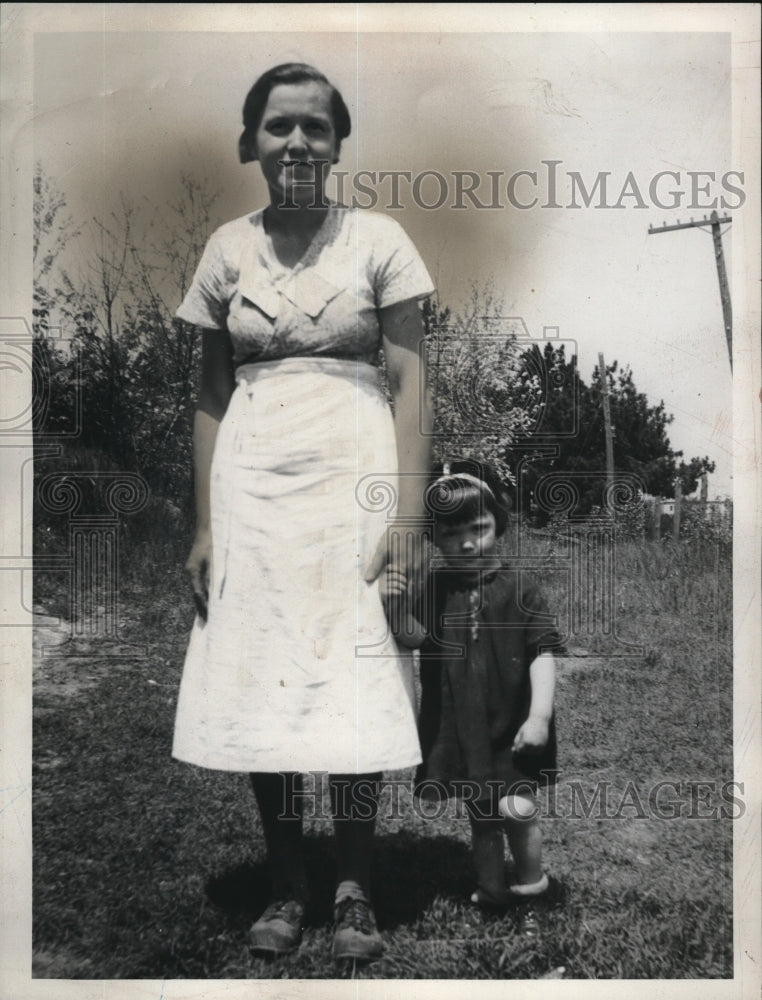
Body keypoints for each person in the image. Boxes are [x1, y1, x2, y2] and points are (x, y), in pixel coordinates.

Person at [172, 62, 435, 962]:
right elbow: (209, 396)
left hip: (353, 481)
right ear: (250, 142)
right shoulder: (225, 250)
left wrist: (404, 517)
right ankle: (288, 882)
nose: (297, 144)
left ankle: (355, 882)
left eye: (315, 128)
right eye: (279, 127)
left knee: (355, 670)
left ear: (336, 143)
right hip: (254, 490)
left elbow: (409, 385)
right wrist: (206, 525)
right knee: (264, 670)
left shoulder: (381, 241)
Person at [383, 460, 559, 938]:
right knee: (482, 816)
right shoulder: (434, 587)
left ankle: (530, 891)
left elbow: (542, 651)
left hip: (514, 720)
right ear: (435, 539)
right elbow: (415, 639)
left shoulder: (519, 587)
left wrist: (540, 715)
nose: (466, 542)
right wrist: (397, 606)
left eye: (478, 529)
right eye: (452, 533)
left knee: (518, 810)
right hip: (461, 723)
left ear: (496, 524)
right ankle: (491, 890)